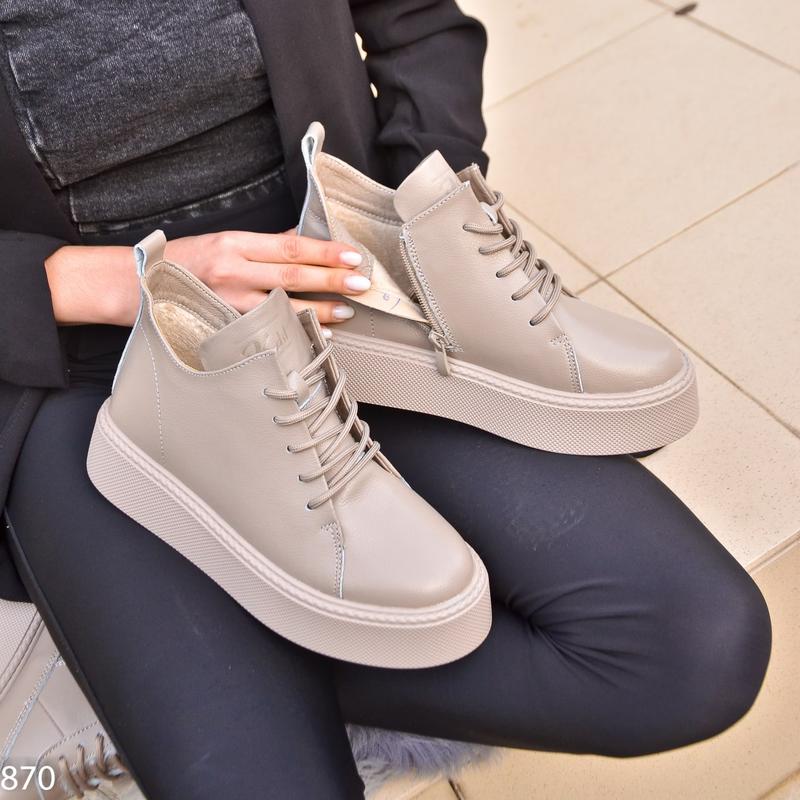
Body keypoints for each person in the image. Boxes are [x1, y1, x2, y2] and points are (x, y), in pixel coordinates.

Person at [0, 2, 771, 798]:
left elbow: (418, 22)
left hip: (341, 292)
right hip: (78, 358)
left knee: (694, 647)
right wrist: (101, 283)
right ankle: (179, 662)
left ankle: (204, 657)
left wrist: (415, 223)